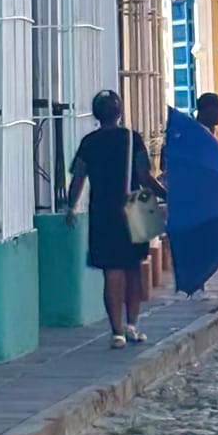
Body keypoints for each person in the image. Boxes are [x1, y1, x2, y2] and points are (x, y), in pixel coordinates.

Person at [65, 90, 155, 346]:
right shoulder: (132, 138)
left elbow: (78, 177)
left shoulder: (89, 142)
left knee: (112, 272)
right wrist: (166, 195)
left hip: (103, 211)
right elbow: (144, 176)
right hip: (137, 205)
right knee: (135, 268)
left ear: (96, 114)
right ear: (119, 112)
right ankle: (132, 325)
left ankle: (116, 331)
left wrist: (71, 206)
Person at [163, 90, 218, 295]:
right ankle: (193, 281)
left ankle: (198, 282)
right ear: (206, 110)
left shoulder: (208, 135)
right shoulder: (193, 136)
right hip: (196, 202)